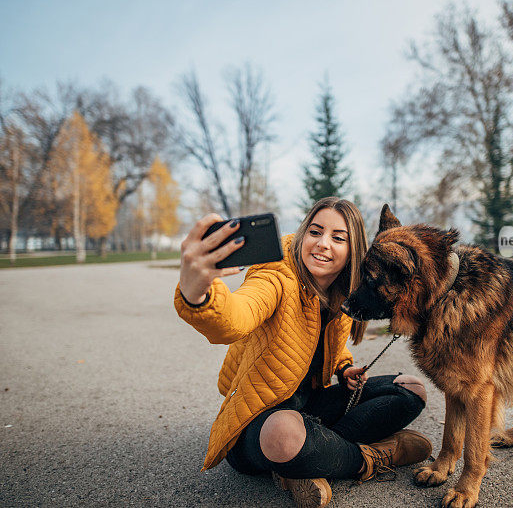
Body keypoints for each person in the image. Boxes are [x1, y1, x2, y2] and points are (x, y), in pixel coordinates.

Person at [174, 197, 432, 508]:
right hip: (258, 423)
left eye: (338, 238)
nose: (324, 244)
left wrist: (344, 369)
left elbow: (327, 347)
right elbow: (235, 318)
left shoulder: (343, 291)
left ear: (353, 251)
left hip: (310, 406)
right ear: (303, 234)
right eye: (315, 231)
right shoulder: (275, 275)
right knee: (284, 434)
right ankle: (372, 457)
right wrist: (198, 293)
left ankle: (306, 460)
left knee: (411, 389)